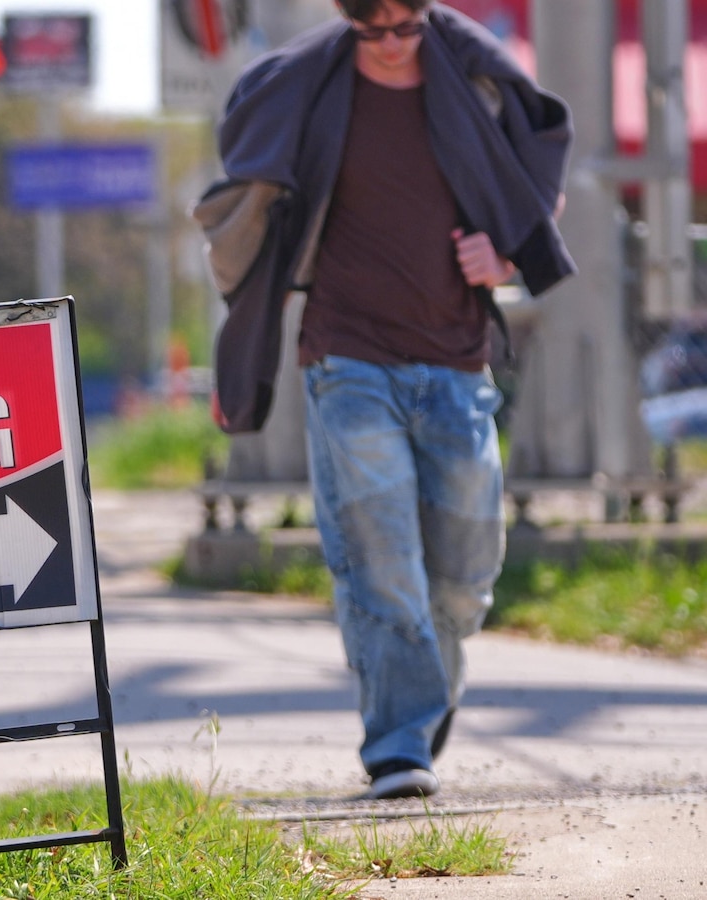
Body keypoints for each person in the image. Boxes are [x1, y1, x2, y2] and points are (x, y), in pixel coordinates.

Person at [195, 0, 576, 799]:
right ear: (349, 20)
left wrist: (506, 254)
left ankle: (423, 696)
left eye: (407, 27)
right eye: (375, 32)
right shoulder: (310, 82)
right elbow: (247, 146)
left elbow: (537, 174)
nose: (395, 46)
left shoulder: (475, 78)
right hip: (348, 358)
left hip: (457, 361)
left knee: (465, 570)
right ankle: (399, 746)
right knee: (381, 557)